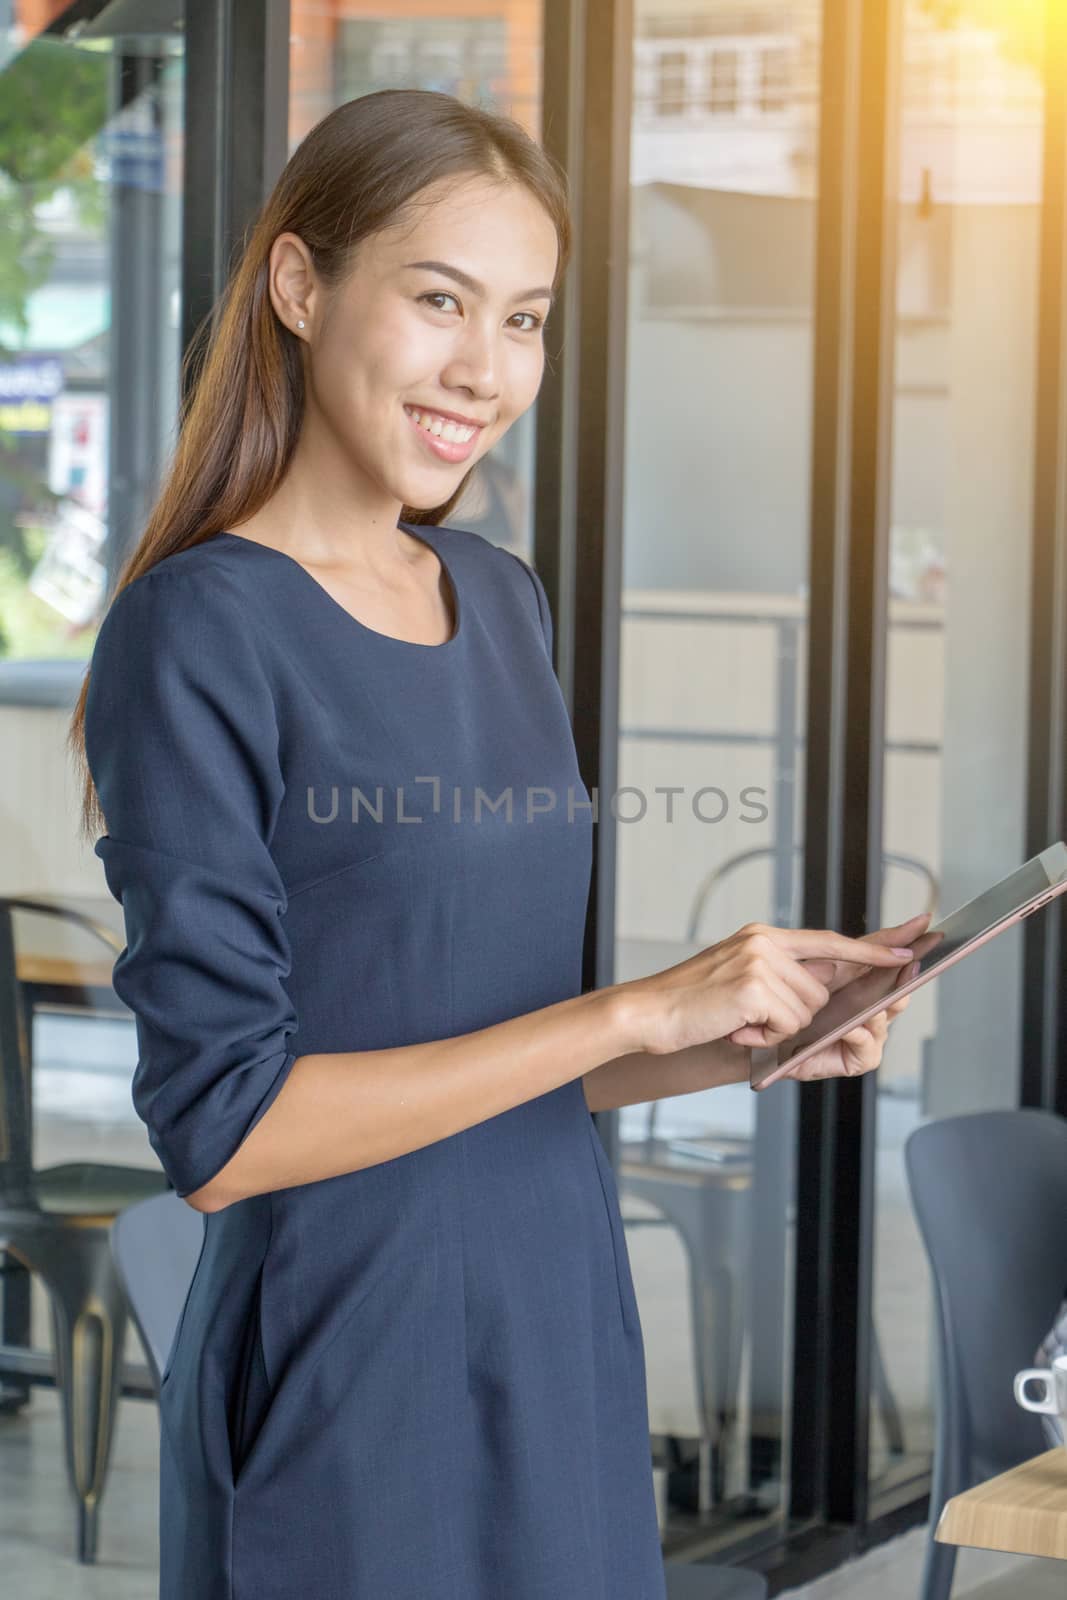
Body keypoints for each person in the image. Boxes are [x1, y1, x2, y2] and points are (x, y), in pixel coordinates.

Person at [68, 88, 923, 1600]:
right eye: (439, 299)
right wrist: (644, 1003)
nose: (487, 367)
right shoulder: (197, 632)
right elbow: (228, 1135)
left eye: (524, 319)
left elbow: (508, 1051)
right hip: (352, 1370)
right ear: (299, 285)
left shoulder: (500, 601)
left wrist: (729, 1037)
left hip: (557, 1331)